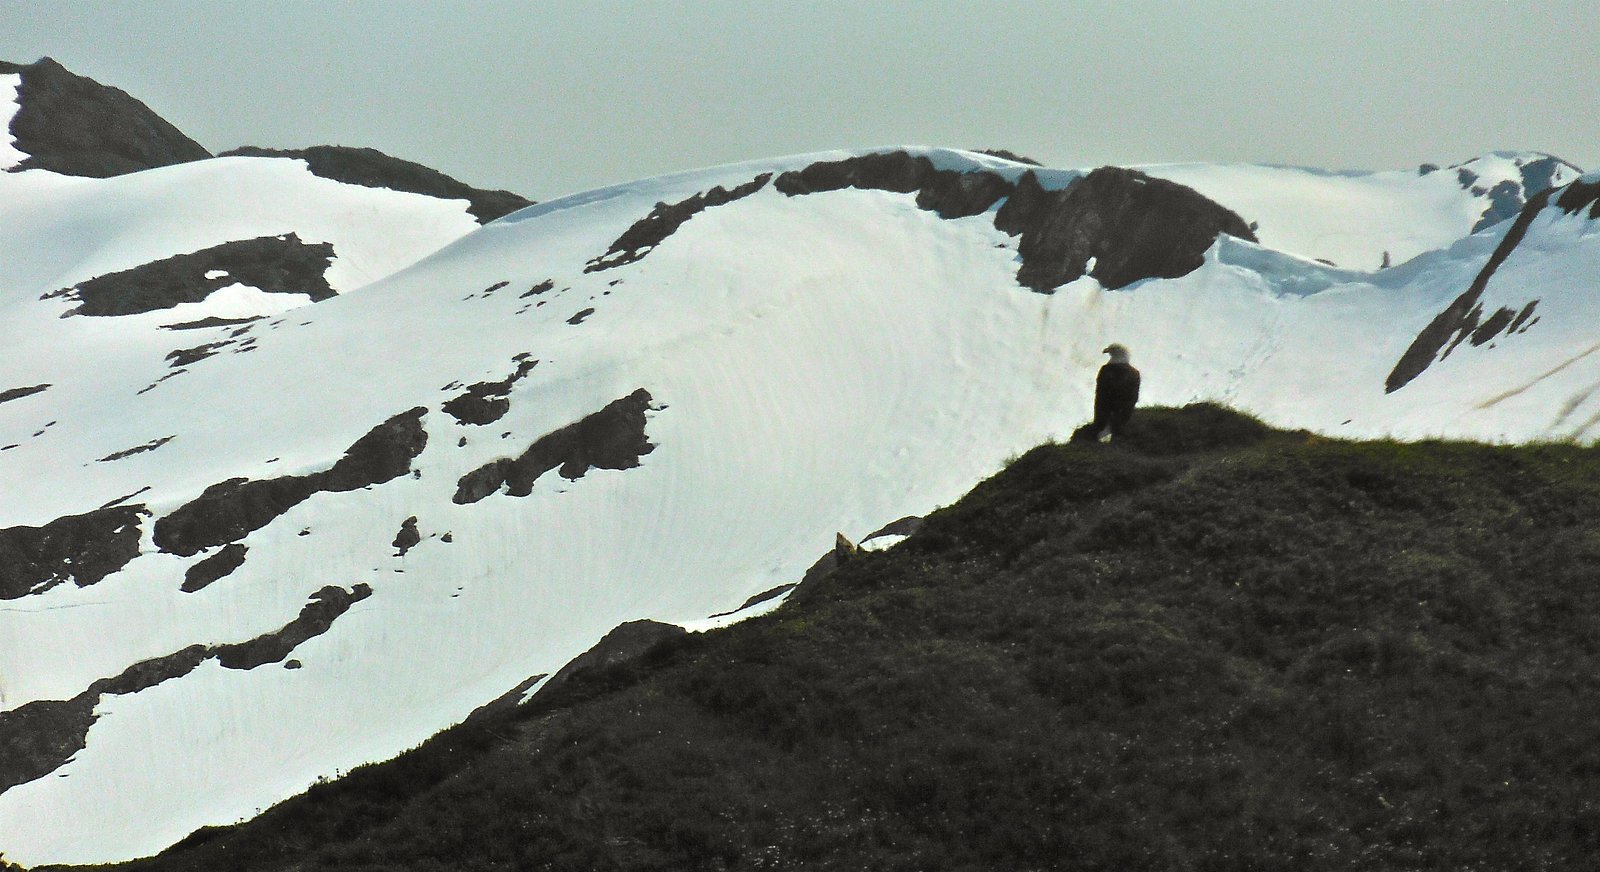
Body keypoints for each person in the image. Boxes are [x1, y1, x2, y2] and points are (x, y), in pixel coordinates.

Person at [1089, 343, 1140, 441]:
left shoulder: (1105, 371)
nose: (1107, 351)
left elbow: (1100, 398)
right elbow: (1132, 398)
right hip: (1122, 412)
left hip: (1105, 411)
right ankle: (1114, 431)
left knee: (1104, 431)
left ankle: (1106, 430)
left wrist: (1100, 419)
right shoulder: (1134, 374)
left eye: (1112, 350)